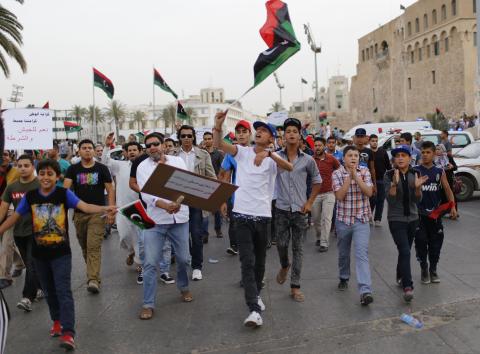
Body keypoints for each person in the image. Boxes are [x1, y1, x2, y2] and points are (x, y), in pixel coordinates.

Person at [0, 159, 117, 350]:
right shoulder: (30, 197)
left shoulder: (64, 194)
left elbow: (85, 207)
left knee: (63, 291)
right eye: (43, 173)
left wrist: (105, 208)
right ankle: (57, 321)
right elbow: (13, 218)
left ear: (57, 177)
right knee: (49, 291)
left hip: (61, 254)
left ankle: (69, 332)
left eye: (50, 174)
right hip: (39, 254)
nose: (46, 177)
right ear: (39, 175)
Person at [213, 111, 293, 328]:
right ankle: (254, 309)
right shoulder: (242, 152)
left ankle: (256, 294)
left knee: (259, 263)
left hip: (263, 218)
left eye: (264, 130)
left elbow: (289, 167)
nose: (259, 131)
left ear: (271, 138)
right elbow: (221, 145)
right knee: (247, 262)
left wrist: (269, 155)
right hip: (241, 216)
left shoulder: (275, 158)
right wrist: (218, 126)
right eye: (257, 129)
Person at [136, 133, 192, 320]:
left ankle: (183, 287)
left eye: (155, 144)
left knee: (184, 259)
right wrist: (165, 205)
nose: (152, 147)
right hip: (156, 221)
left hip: (180, 218)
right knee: (150, 263)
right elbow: (147, 194)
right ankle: (148, 303)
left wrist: (177, 203)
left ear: (164, 145)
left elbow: (187, 185)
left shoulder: (177, 162)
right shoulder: (143, 167)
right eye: (148, 145)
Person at [275, 118, 322, 302]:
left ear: (300, 135)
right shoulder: (276, 158)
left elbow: (317, 181)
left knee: (298, 249)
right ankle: (284, 265)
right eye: (288, 131)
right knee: (281, 244)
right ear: (284, 136)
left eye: (295, 131)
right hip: (281, 209)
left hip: (300, 211)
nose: (292, 134)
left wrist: (310, 202)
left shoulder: (308, 160)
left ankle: (295, 286)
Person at [64, 139, 115, 294]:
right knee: (85, 247)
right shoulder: (73, 169)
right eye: (84, 148)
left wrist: (111, 211)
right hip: (79, 214)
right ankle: (94, 274)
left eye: (90, 148)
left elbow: (110, 190)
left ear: (94, 151)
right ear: (78, 151)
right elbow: (65, 189)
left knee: (93, 246)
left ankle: (92, 279)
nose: (87, 150)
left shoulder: (102, 168)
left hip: (97, 213)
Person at [171, 125, 216, 281]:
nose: (186, 138)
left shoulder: (203, 155)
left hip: (196, 200)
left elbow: (212, 178)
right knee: (180, 236)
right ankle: (184, 262)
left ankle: (197, 266)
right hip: (177, 200)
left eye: (189, 136)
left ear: (193, 137)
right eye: (183, 136)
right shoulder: (172, 154)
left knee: (196, 234)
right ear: (179, 138)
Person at [384, 146, 427, 303]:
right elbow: (391, 200)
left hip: (413, 218)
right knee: (405, 251)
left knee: (405, 250)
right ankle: (408, 287)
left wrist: (417, 188)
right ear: (394, 160)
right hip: (396, 219)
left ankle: (400, 274)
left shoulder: (415, 173)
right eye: (397, 156)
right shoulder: (389, 174)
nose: (400, 158)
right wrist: (394, 184)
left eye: (404, 155)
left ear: (410, 158)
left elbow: (417, 200)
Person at [332, 145, 374, 306]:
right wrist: (349, 178)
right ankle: (343, 276)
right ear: (344, 158)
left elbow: (369, 193)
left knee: (361, 254)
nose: (353, 158)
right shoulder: (336, 174)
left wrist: (356, 177)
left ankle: (365, 291)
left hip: (361, 220)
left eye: (356, 155)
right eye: (350, 155)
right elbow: (340, 196)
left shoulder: (365, 172)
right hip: (343, 220)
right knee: (343, 253)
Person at [0, 155, 42, 312]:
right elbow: (3, 209)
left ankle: (27, 297)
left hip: (37, 231)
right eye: (20, 165)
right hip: (19, 231)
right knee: (31, 264)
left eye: (26, 165)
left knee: (31, 263)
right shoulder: (12, 187)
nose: (23, 168)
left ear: (33, 167)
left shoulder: (39, 184)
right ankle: (40, 287)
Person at [415, 141, 457, 284]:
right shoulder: (415, 170)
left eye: (428, 152)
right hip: (419, 215)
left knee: (436, 244)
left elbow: (447, 190)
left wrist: (453, 207)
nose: (425, 155)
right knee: (421, 243)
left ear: (434, 154)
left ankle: (433, 270)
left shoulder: (439, 171)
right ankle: (424, 269)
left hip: (435, 215)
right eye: (423, 152)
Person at [219, 120, 252, 256]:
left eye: (244, 132)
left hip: (255, 200)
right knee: (235, 224)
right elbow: (225, 178)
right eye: (238, 132)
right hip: (237, 199)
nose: (241, 135)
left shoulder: (258, 152)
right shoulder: (230, 154)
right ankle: (234, 246)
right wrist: (222, 201)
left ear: (250, 134)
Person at [312, 137, 340, 252]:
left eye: (319, 145)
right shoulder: (310, 160)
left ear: (324, 146)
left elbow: (340, 170)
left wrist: (338, 185)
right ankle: (319, 236)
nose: (317, 147)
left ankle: (324, 242)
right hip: (314, 194)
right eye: (316, 145)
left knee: (326, 218)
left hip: (329, 193)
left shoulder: (331, 159)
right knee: (316, 219)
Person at [0, 151, 22, 290]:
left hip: (11, 210)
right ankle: (20, 262)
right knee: (5, 242)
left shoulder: (17, 171)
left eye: (6, 154)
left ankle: (4, 276)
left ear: (10, 157)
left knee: (7, 243)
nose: (3, 156)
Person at [202, 131, 224, 238]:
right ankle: (204, 233)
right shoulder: (200, 153)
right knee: (204, 210)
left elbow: (223, 169)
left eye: (209, 138)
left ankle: (218, 229)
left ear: (212, 139)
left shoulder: (219, 154)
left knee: (216, 209)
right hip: (203, 185)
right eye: (205, 139)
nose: (207, 141)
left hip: (216, 184)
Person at [369, 134, 392, 227]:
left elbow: (388, 166)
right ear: (369, 142)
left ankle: (378, 219)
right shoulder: (368, 152)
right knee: (372, 200)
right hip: (370, 181)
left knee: (381, 200)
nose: (374, 142)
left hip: (382, 180)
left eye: (376, 141)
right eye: (372, 141)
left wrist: (391, 178)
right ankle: (369, 217)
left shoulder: (382, 152)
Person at [353, 129, 376, 197]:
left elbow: (372, 169)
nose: (360, 139)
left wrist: (374, 184)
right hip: (353, 181)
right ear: (355, 137)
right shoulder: (350, 150)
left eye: (362, 137)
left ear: (366, 138)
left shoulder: (369, 151)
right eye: (358, 136)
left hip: (366, 181)